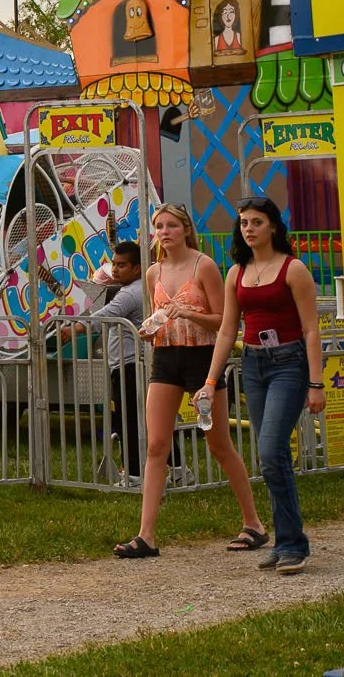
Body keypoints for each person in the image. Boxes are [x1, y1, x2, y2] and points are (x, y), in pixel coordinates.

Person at [114, 202, 266, 560]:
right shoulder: (153, 272)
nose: (164, 232)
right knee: (156, 445)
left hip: (202, 358)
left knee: (218, 445)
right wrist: (150, 330)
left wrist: (188, 313)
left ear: (185, 229)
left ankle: (254, 523)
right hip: (166, 358)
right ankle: (146, 535)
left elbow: (224, 321)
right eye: (158, 227)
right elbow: (156, 317)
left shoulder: (204, 266)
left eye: (170, 226)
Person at [205, 196, 325, 574]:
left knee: (273, 450)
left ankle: (293, 544)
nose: (249, 229)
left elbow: (311, 329)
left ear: (273, 226)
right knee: (270, 457)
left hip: (289, 364)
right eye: (243, 223)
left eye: (257, 222)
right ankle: (284, 541)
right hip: (254, 364)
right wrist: (211, 380)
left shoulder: (293, 269)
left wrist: (316, 383)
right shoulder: (236, 272)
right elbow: (227, 329)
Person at [51, 240, 162, 486]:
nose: (115, 269)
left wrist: (76, 327)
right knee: (144, 420)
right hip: (126, 364)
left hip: (131, 365)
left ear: (136, 268)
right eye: (114, 263)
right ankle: (174, 468)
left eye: (122, 265)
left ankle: (134, 474)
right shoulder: (134, 288)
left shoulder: (131, 292)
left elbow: (108, 314)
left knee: (130, 420)